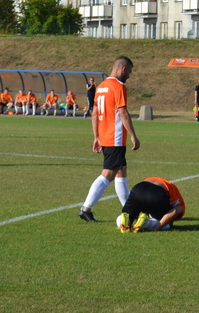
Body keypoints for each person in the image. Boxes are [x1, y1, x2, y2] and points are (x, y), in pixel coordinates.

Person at [79, 56, 140, 223]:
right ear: (123, 69)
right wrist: (134, 136)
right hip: (116, 137)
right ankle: (86, 208)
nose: (129, 76)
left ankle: (129, 212)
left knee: (121, 173)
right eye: (129, 72)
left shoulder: (101, 87)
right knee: (108, 174)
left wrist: (96, 136)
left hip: (105, 136)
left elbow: (94, 113)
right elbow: (123, 113)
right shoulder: (119, 86)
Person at [117, 177, 185, 233]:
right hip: (157, 193)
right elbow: (177, 210)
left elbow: (145, 199)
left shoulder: (150, 179)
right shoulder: (172, 187)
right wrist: (158, 227)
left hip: (139, 188)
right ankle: (146, 223)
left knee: (126, 215)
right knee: (166, 225)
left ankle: (125, 223)